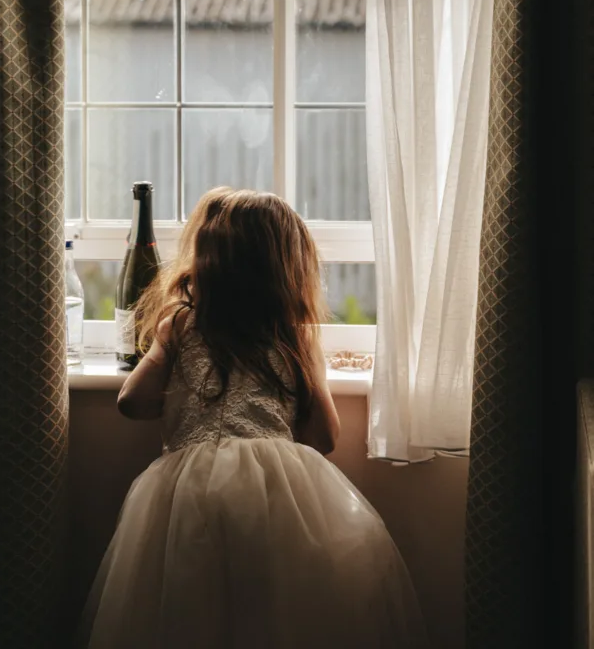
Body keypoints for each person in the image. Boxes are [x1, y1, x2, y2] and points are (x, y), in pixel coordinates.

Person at [79, 188, 428, 649]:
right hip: (279, 489)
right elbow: (323, 437)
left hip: (190, 489)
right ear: (287, 269)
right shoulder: (292, 339)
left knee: (189, 611)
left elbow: (131, 401)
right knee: (276, 613)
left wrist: (175, 392)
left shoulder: (182, 325)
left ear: (206, 261)